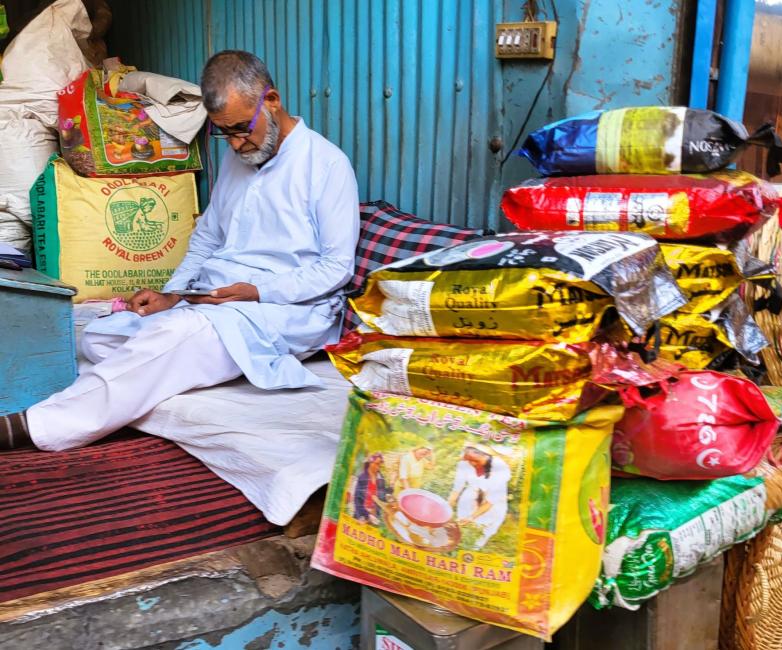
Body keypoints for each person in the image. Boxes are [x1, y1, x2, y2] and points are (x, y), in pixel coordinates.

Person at [0, 50, 360, 452]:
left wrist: (255, 291)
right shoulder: (238, 158)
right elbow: (207, 236)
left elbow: (337, 267)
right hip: (215, 301)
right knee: (101, 335)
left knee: (176, 336)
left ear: (271, 101)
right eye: (226, 134)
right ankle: (177, 367)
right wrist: (173, 293)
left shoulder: (327, 164)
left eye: (242, 128)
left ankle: (33, 426)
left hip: (282, 310)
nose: (238, 144)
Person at [448, 445, 511, 550]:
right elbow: (456, 489)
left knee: (479, 536)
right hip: (470, 498)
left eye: (476, 461)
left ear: (486, 456)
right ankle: (457, 548)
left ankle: (473, 550)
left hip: (492, 507)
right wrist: (447, 510)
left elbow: (490, 502)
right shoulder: (464, 464)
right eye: (469, 460)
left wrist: (471, 517)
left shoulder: (500, 469)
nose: (472, 464)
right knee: (461, 530)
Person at [353, 453, 390, 525]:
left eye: (380, 465)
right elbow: (357, 499)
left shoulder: (381, 479)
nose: (378, 467)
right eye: (376, 464)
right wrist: (362, 516)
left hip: (375, 517)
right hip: (362, 515)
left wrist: (389, 490)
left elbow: (382, 496)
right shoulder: (362, 477)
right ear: (370, 462)